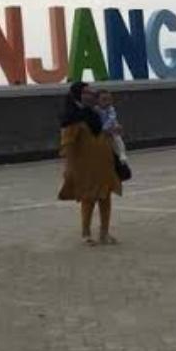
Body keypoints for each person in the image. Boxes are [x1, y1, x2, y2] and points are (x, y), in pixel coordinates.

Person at [59, 82, 122, 246]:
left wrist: (112, 132)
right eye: (86, 92)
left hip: (104, 163)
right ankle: (86, 233)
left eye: (90, 92)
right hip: (85, 166)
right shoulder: (71, 118)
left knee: (105, 196)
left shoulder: (94, 114)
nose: (91, 95)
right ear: (77, 95)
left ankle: (104, 233)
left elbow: (100, 133)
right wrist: (68, 167)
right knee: (89, 198)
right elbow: (67, 144)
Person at [96, 90, 127, 163]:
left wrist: (108, 128)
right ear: (97, 100)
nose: (107, 102)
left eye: (109, 100)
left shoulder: (111, 109)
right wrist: (103, 129)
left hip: (111, 126)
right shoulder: (96, 109)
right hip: (101, 129)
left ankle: (122, 153)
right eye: (104, 100)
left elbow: (112, 118)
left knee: (117, 138)